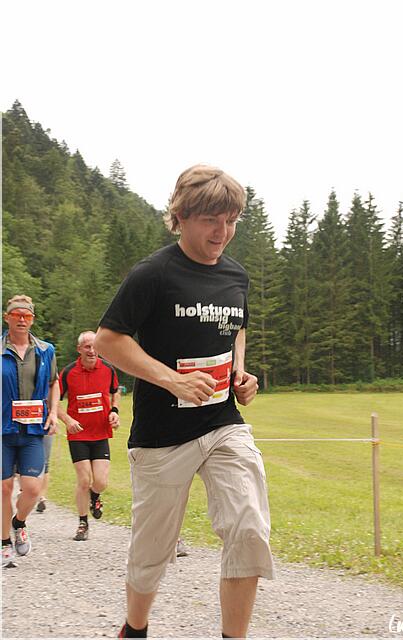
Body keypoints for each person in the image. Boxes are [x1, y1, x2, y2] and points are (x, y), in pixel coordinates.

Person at [94, 164, 274, 639]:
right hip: (161, 436)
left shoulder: (236, 275)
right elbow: (109, 341)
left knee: (248, 527)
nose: (223, 232)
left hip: (222, 423)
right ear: (182, 216)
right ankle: (135, 628)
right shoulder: (153, 274)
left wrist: (239, 373)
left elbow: (236, 328)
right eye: (211, 220)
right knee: (152, 551)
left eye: (231, 220)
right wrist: (170, 380)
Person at [2, 295, 59, 568]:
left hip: (33, 429)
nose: (22, 320)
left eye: (27, 316)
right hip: (3, 429)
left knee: (33, 488)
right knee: (4, 488)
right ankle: (4, 544)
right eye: (17, 315)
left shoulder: (45, 350)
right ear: (7, 318)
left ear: (32, 320)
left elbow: (54, 383)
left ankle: (19, 522)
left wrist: (54, 412)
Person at [57, 330, 120, 541]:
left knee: (100, 482)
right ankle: (83, 523)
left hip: (101, 433)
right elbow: (53, 400)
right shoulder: (68, 372)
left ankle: (95, 495)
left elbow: (115, 391)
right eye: (87, 346)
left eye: (95, 346)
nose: (92, 350)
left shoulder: (108, 369)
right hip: (78, 435)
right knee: (84, 480)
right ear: (79, 349)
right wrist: (68, 420)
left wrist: (114, 411)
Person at [35, 434, 54, 512]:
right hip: (26, 430)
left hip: (45, 429)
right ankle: (24, 490)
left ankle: (41, 497)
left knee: (45, 462)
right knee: (24, 461)